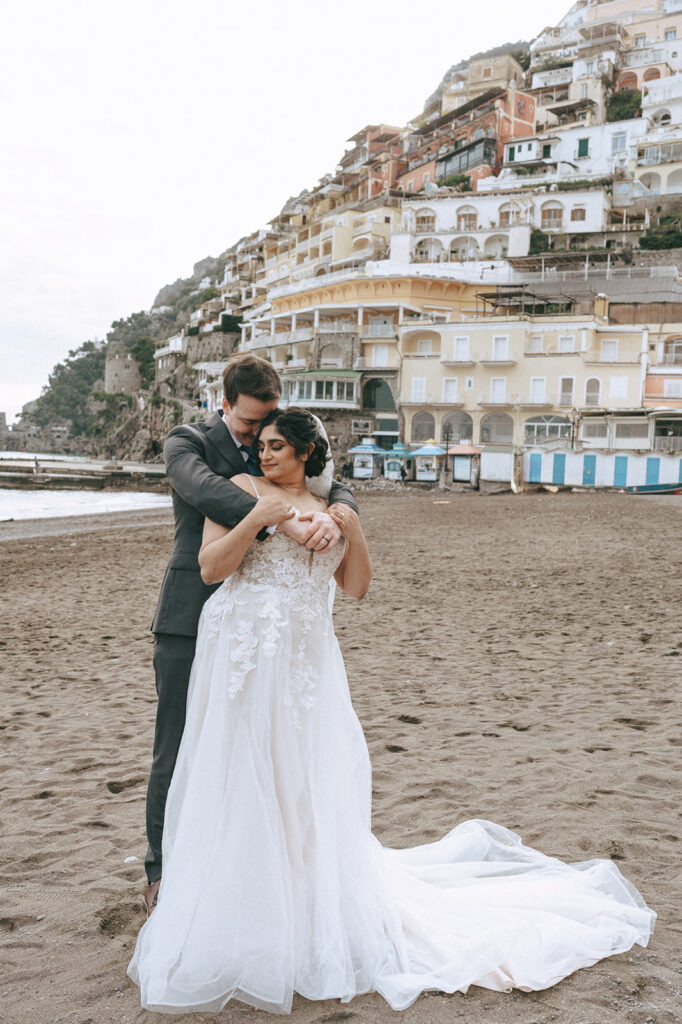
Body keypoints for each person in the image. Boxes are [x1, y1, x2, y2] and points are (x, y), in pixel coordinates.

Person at [129, 408, 654, 1015]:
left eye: (276, 447)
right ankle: (235, 905)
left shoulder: (334, 506)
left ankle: (304, 905)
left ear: (305, 453)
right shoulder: (244, 491)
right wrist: (258, 517)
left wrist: (355, 532)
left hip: (306, 662)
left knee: (302, 781)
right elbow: (210, 568)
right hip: (244, 655)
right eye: (262, 445)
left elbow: (355, 587)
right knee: (241, 773)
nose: (263, 455)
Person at [143, 355, 357, 916]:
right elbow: (209, 492)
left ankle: (261, 871)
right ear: (224, 404)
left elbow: (335, 482)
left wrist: (337, 511)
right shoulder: (185, 443)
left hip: (277, 631)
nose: (255, 440)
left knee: (264, 748)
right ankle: (163, 873)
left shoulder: (280, 437)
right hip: (194, 614)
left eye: (264, 427)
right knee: (180, 744)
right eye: (245, 428)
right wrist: (284, 518)